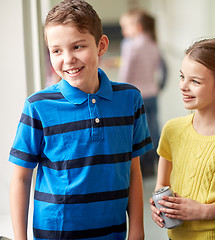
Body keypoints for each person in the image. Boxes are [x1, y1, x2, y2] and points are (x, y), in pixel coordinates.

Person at [9, 1, 151, 239]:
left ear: (101, 45)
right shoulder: (38, 105)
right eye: (56, 50)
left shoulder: (130, 99)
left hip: (112, 233)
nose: (68, 59)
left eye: (77, 46)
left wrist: (137, 230)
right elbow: (21, 178)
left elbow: (133, 169)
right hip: (54, 233)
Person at [149, 38, 215, 240]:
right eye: (182, 77)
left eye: (195, 81)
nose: (183, 86)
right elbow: (161, 184)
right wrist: (157, 205)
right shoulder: (172, 130)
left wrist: (202, 211)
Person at [119, 8, 165, 177]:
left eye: (126, 27)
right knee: (154, 128)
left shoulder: (130, 46)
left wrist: (119, 91)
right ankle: (158, 164)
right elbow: (161, 68)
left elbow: (126, 73)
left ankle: (145, 168)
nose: (124, 31)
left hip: (137, 96)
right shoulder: (153, 43)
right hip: (152, 93)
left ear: (137, 27)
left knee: (140, 133)